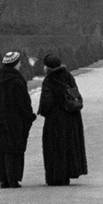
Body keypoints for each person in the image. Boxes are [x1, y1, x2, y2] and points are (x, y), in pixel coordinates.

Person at [0, 50, 35, 187]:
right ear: (15, 64)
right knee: (14, 150)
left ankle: (3, 180)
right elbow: (23, 103)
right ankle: (13, 179)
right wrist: (30, 116)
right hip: (14, 122)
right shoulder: (17, 81)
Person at [37, 53, 88, 185]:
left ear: (47, 68)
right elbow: (75, 93)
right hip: (72, 117)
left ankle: (57, 176)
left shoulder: (49, 80)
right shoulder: (68, 76)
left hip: (56, 119)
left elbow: (47, 102)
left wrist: (44, 112)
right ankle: (70, 172)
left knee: (55, 147)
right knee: (70, 146)